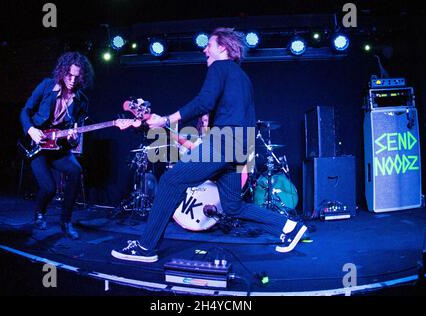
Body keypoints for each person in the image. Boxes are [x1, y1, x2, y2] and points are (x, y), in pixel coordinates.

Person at [111, 28, 307, 262]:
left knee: (171, 180)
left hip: (224, 141)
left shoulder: (219, 67)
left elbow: (204, 102)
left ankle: (146, 248)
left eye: (209, 46)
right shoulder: (242, 77)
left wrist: (164, 120)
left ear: (223, 48)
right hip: (241, 147)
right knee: (233, 206)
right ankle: (290, 227)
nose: (205, 50)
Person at [20, 52, 94, 239]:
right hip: (38, 144)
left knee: (76, 171)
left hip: (59, 147)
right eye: (69, 75)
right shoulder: (46, 86)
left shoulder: (81, 100)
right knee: (49, 188)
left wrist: (72, 138)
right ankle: (39, 212)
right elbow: (25, 110)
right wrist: (30, 130)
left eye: (77, 77)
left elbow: (75, 134)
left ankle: (66, 221)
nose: (72, 80)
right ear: (62, 72)